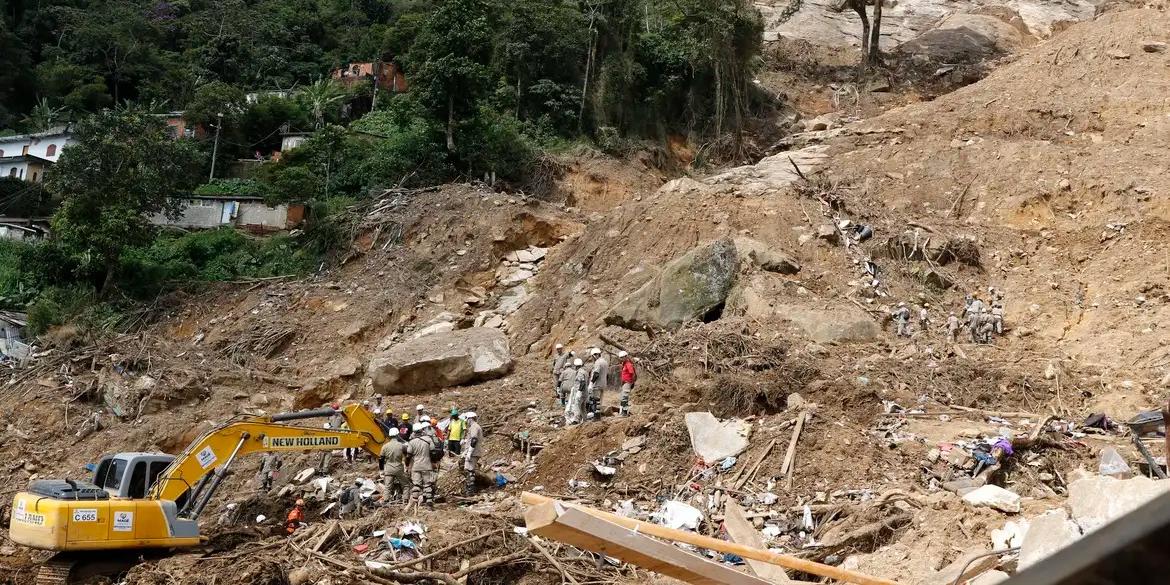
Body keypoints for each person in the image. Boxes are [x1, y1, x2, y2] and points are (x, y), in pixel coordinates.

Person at [407, 423, 439, 508]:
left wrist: (407, 465)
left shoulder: (412, 442)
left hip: (416, 466)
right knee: (427, 484)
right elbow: (433, 452)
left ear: (414, 432)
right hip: (426, 465)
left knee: (416, 485)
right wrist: (434, 462)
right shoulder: (428, 439)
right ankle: (429, 503)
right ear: (422, 430)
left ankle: (414, 504)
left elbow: (408, 455)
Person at [380, 428, 409, 504]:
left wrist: (381, 470)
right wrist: (407, 465)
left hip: (388, 468)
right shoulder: (401, 446)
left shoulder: (385, 446)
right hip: (399, 468)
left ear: (389, 436)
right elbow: (407, 456)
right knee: (405, 485)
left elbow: (381, 459)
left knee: (388, 486)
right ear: (397, 435)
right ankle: (405, 499)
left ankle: (386, 500)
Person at [461, 412, 484, 495]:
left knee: (469, 470)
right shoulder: (475, 427)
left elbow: (474, 440)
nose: (466, 422)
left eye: (467, 420)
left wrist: (469, 452)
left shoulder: (474, 427)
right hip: (473, 451)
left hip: (473, 452)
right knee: (468, 470)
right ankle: (470, 489)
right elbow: (472, 440)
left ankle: (471, 491)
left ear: (470, 419)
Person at [588, 348, 609, 419]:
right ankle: (598, 415)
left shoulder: (598, 362)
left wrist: (591, 383)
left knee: (595, 400)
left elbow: (596, 374)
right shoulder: (605, 362)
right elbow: (607, 375)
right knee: (600, 401)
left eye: (592, 356)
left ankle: (596, 417)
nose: (592, 358)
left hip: (597, 384)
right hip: (603, 384)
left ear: (595, 355)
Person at [564, 358, 586, 425]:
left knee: (577, 407)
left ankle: (576, 421)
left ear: (576, 366)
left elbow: (582, 382)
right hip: (584, 392)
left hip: (580, 393)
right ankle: (585, 421)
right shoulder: (584, 371)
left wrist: (579, 391)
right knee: (582, 408)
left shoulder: (580, 372)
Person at [618, 351, 637, 417]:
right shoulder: (624, 364)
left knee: (624, 397)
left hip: (628, 382)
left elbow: (632, 374)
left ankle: (625, 413)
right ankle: (623, 412)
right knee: (623, 397)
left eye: (622, 357)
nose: (621, 359)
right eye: (620, 357)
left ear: (626, 356)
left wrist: (632, 382)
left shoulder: (628, 364)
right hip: (625, 382)